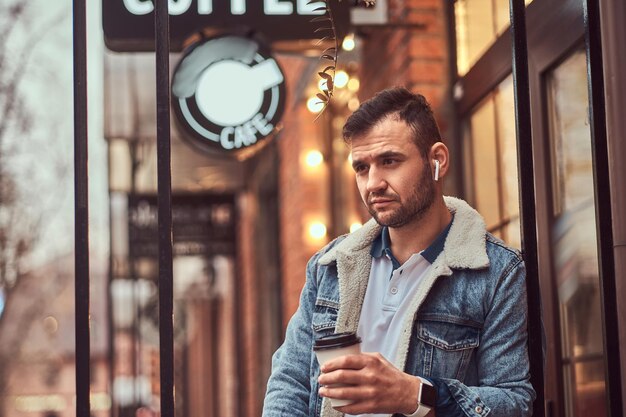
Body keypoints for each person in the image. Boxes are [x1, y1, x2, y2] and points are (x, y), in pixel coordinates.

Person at [262, 87, 535, 417]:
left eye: (389, 161)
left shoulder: (497, 271)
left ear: (437, 160)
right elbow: (289, 383)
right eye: (362, 168)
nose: (373, 183)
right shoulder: (330, 266)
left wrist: (416, 394)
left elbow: (515, 402)